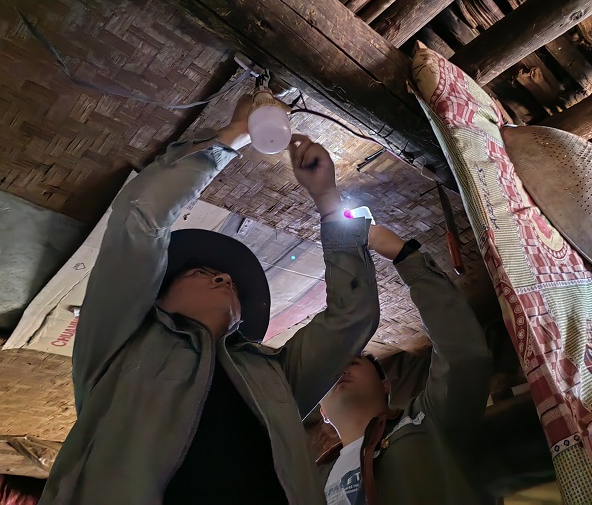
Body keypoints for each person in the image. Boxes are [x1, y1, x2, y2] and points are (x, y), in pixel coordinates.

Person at [39, 96, 380, 504]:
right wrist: (234, 135)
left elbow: (353, 315)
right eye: (200, 272)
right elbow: (140, 216)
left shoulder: (276, 376)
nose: (223, 277)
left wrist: (327, 198)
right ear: (157, 298)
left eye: (230, 282)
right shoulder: (117, 345)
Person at [318, 226, 492, 504]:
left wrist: (406, 256)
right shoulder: (309, 480)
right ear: (322, 411)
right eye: (329, 373)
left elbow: (462, 354)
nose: (340, 369)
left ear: (385, 385)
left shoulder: (427, 420)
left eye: (354, 361)